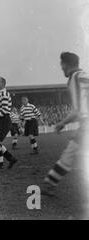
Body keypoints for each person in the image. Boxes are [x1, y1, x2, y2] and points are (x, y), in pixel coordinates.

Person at [42, 52, 89, 196]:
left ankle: (50, 183)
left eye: (61, 64)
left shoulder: (74, 78)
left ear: (64, 64)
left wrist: (61, 123)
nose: (61, 67)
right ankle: (51, 182)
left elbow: (77, 111)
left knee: (70, 152)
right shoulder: (84, 75)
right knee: (71, 150)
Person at [0, 76, 18, 169]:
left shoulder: (4, 94)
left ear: (2, 84)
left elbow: (5, 109)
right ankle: (11, 159)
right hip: (0, 119)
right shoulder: (0, 93)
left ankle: (0, 165)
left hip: (4, 120)